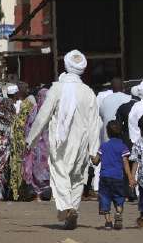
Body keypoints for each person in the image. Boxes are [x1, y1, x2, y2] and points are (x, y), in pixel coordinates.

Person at [27, 50, 100, 228]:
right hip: (81, 142)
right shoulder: (88, 92)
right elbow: (95, 122)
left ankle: (67, 207)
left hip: (60, 141)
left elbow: (43, 115)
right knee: (76, 177)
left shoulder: (57, 89)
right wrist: (94, 150)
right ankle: (72, 209)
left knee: (60, 173)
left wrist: (31, 139)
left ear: (66, 66)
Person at [96, 120, 131, 229]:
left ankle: (108, 222)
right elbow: (125, 163)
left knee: (105, 197)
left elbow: (96, 161)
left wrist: (92, 157)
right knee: (119, 197)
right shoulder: (123, 147)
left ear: (107, 132)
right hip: (118, 177)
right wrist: (130, 177)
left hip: (105, 176)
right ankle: (119, 213)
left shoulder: (104, 146)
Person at [23, 87, 52, 200]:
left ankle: (38, 193)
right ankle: (43, 192)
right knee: (44, 169)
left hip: (36, 147)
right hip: (45, 148)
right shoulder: (50, 111)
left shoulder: (34, 111)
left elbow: (27, 128)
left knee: (37, 169)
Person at [9, 90, 35, 200]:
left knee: (19, 168)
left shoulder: (19, 119)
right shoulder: (22, 119)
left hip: (19, 148)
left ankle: (19, 193)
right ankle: (19, 193)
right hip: (21, 148)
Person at [98, 77, 133, 142]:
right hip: (125, 141)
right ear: (123, 86)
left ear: (111, 88)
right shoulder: (129, 99)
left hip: (108, 139)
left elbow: (101, 115)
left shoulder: (105, 100)